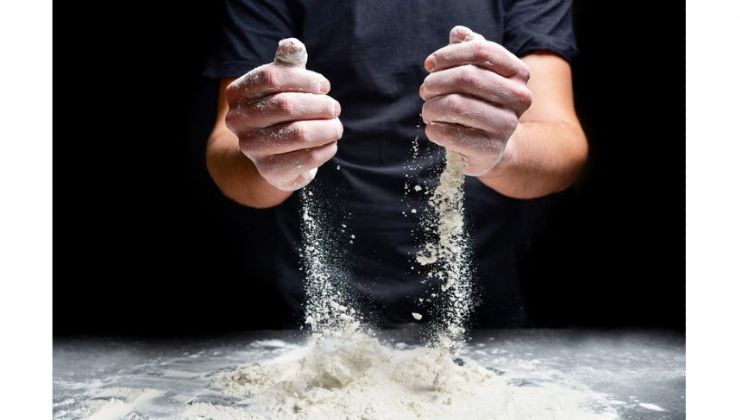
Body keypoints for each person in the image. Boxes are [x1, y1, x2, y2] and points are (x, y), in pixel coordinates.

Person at [203, 0, 587, 327]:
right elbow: (227, 148)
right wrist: (272, 155)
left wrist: (505, 149)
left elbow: (563, 145)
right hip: (315, 305)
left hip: (484, 303)